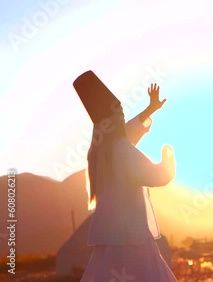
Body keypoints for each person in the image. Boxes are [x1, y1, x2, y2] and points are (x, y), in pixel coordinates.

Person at [74, 70, 178, 282]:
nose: (122, 116)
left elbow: (125, 133)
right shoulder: (122, 151)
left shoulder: (99, 151)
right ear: (112, 120)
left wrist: (149, 109)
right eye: (119, 112)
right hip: (133, 239)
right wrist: (168, 157)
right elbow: (158, 176)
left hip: (110, 239)